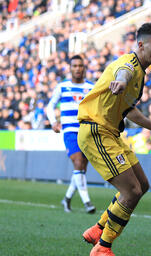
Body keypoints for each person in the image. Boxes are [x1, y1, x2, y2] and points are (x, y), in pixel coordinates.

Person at [77, 23, 151, 256]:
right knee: (131, 191)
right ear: (141, 45)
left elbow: (129, 110)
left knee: (142, 185)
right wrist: (121, 82)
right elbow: (121, 73)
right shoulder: (128, 66)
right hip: (96, 130)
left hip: (111, 132)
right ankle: (102, 248)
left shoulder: (141, 74)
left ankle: (98, 229)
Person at [46, 55, 96, 214]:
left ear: (84, 68)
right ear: (70, 68)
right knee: (78, 162)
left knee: (81, 168)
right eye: (74, 65)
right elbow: (50, 106)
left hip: (87, 131)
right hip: (70, 131)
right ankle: (87, 203)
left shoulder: (91, 87)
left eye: (80, 65)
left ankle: (66, 199)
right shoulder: (62, 87)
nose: (77, 68)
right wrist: (53, 121)